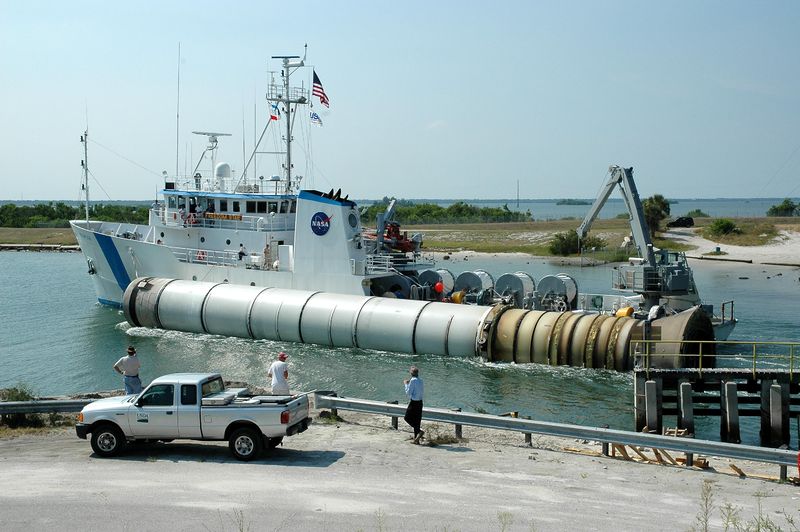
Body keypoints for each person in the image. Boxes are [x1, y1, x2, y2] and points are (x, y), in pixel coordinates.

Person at [403, 365, 424, 443]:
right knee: (417, 421)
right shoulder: (420, 380)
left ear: (411, 373)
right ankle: (416, 440)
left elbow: (408, 393)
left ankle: (419, 431)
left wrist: (405, 384)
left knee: (407, 418)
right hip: (420, 402)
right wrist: (409, 383)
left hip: (414, 403)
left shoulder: (413, 380)